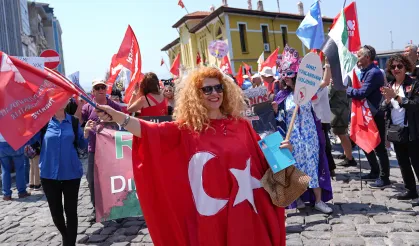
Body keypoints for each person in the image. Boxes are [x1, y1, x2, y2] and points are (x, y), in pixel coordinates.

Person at [95, 67, 287, 246]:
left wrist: (284, 151)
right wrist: (118, 116)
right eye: (207, 89)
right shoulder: (188, 130)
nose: (214, 93)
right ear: (196, 95)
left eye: (218, 88)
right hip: (213, 221)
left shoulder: (242, 125)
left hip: (249, 216)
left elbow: (266, 160)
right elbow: (149, 131)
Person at [272, 47, 333, 214]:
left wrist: (326, 65)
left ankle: (319, 201)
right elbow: (277, 120)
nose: (287, 79)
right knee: (295, 168)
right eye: (285, 76)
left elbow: (325, 82)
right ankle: (297, 198)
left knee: (312, 166)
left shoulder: (307, 91)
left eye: (290, 76)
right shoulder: (281, 96)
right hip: (292, 138)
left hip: (309, 135)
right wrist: (276, 111)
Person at [39, 101, 88, 246]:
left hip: (71, 173)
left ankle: (69, 243)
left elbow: (82, 145)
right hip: (49, 175)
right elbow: (31, 142)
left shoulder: (73, 122)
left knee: (71, 212)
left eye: (63, 98)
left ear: (67, 101)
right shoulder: (43, 122)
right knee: (56, 214)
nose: (59, 101)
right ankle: (67, 237)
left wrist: (86, 134)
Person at [347, 45, 391, 189]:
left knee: (378, 147)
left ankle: (384, 178)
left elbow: (362, 93)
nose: (357, 58)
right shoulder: (364, 72)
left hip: (375, 114)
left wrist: (346, 89)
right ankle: (374, 171)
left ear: (367, 57)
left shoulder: (373, 73)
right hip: (366, 114)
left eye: (359, 55)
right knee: (365, 143)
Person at [81, 79, 121, 219]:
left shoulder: (114, 106)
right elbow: (81, 127)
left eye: (102, 87)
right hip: (93, 148)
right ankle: (96, 208)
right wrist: (86, 127)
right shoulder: (86, 108)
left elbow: (121, 124)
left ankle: (115, 208)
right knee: (91, 179)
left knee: (112, 180)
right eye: (97, 88)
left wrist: (109, 121)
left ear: (106, 89)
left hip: (110, 148)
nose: (100, 89)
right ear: (93, 91)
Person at [381, 54, 419, 200]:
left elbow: (415, 106)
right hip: (396, 131)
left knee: (417, 163)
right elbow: (383, 108)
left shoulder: (414, 84)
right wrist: (387, 101)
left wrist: (396, 97)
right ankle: (410, 190)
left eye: (399, 66)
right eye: (393, 67)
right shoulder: (390, 85)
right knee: (403, 163)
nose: (396, 69)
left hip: (412, 131)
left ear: (406, 67)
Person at [312, 61, 336, 177]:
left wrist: (327, 65)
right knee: (322, 144)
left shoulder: (320, 85)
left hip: (321, 119)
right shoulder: (316, 84)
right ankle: (327, 167)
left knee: (325, 145)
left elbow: (314, 100)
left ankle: (330, 168)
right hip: (317, 119)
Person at [0, 134, 31, 200]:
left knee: (5, 170)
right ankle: (22, 192)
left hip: (1, 144)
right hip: (15, 142)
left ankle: (6, 194)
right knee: (20, 169)